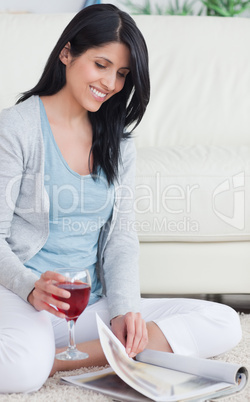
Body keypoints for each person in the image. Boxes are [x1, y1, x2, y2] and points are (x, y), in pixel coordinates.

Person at [0, 4, 242, 394]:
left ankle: (63, 357)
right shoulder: (16, 128)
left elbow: (121, 238)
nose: (111, 83)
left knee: (224, 322)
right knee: (22, 373)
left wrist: (125, 310)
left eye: (122, 74)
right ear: (67, 53)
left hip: (87, 304)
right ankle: (52, 354)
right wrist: (30, 286)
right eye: (101, 64)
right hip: (26, 299)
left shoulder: (118, 142)